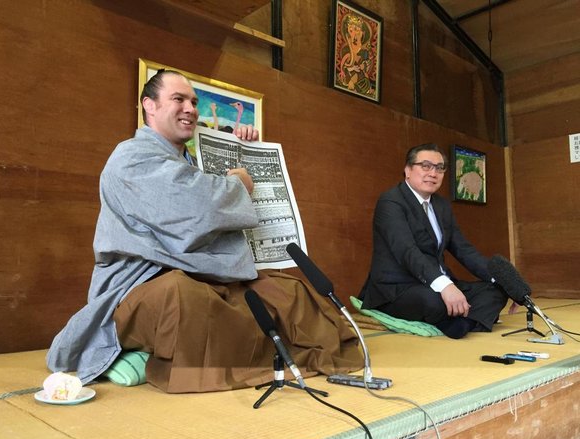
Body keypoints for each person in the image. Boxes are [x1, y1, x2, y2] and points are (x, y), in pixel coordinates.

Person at [46, 70, 361, 393]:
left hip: (204, 273)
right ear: (149, 105)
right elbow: (195, 208)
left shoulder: (192, 160)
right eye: (178, 99)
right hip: (141, 283)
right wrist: (238, 184)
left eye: (194, 102)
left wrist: (242, 148)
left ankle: (286, 362)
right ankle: (141, 353)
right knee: (182, 297)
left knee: (288, 293)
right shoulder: (130, 157)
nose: (190, 109)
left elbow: (211, 203)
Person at [358, 143, 509, 339]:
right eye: (426, 166)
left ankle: (461, 324)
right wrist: (445, 286)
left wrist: (503, 281)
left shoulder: (441, 205)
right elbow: (406, 251)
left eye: (439, 168)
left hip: (434, 282)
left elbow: (463, 249)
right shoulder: (391, 201)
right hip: (397, 288)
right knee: (434, 301)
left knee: (496, 290)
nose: (433, 173)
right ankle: (468, 319)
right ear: (408, 170)